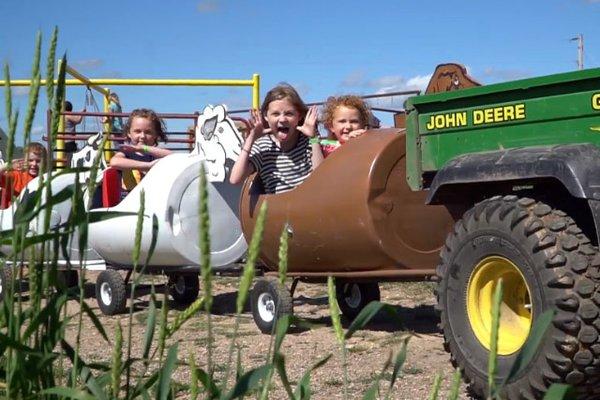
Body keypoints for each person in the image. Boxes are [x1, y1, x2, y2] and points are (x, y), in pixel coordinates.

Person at [229, 84, 323, 194]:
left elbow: (321, 176)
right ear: (266, 116)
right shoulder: (263, 146)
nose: (282, 119)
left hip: (306, 202)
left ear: (299, 116)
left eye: (289, 113)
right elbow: (235, 179)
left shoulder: (308, 140)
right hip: (278, 206)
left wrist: (314, 138)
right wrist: (251, 139)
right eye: (275, 114)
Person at [109, 108, 172, 191]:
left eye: (148, 132)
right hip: (128, 199)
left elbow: (174, 156)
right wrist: (148, 166)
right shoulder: (126, 152)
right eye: (137, 131)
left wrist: (143, 148)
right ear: (129, 133)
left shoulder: (156, 155)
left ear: (156, 134)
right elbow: (114, 162)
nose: (142, 136)